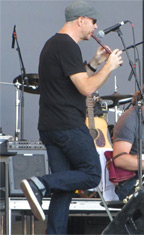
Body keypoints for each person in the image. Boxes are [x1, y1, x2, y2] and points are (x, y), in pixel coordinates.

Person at [20, 1, 123, 234]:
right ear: (81, 20)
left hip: (50, 125)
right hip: (67, 124)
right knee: (91, 174)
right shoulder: (67, 46)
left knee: (64, 187)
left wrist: (96, 63)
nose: (95, 28)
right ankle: (39, 183)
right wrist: (109, 66)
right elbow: (86, 89)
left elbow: (73, 82)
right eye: (93, 22)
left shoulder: (55, 44)